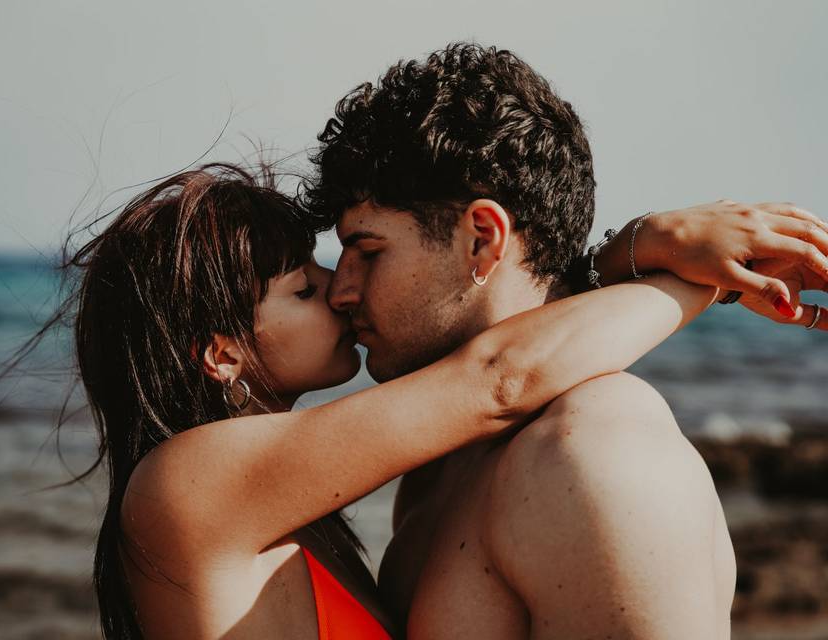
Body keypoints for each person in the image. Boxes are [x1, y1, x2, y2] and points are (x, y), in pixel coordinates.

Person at [303, 42, 828, 639]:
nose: (341, 291)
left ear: (482, 238)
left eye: (368, 251)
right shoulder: (446, 458)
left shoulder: (592, 455)